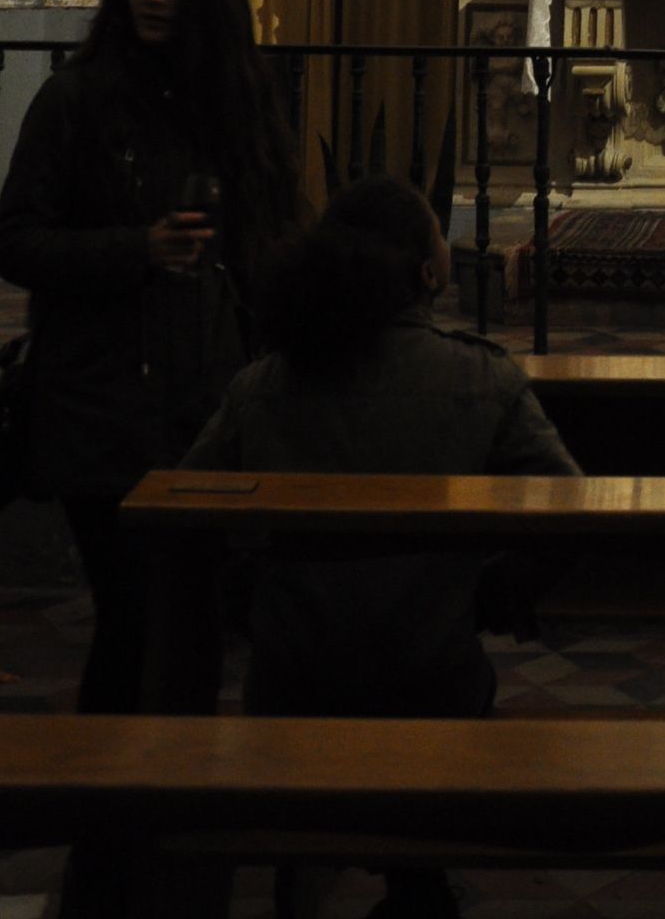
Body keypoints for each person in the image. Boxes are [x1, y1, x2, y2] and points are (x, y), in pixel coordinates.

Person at [0, 0, 298, 711]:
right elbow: (16, 241)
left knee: (196, 627)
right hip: (99, 400)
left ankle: (179, 809)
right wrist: (137, 249)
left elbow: (270, 241)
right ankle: (109, 824)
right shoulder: (75, 100)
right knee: (127, 623)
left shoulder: (240, 102)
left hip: (205, 403)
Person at [187, 177, 576, 712]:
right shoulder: (482, 379)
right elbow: (568, 508)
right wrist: (491, 598)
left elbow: (186, 512)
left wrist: (250, 603)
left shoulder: (262, 387)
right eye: (438, 233)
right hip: (435, 676)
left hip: (293, 681)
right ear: (427, 271)